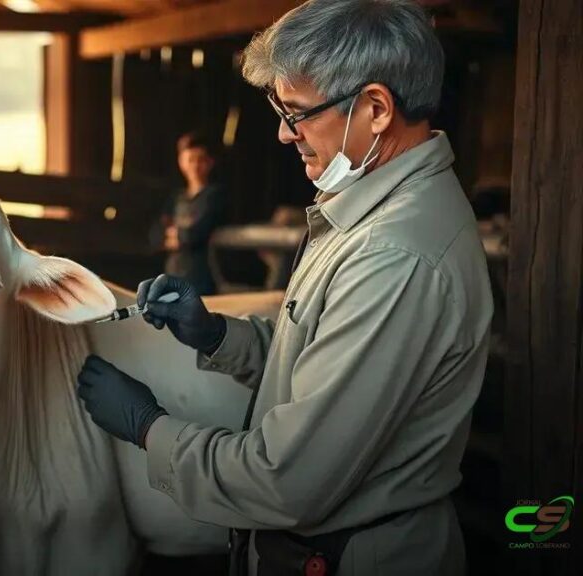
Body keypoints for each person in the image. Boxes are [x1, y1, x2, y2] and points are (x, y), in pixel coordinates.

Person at [76, 1, 493, 575]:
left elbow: (288, 480)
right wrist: (217, 335)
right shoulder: (375, 208)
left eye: (296, 113)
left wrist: (148, 428)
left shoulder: (393, 256)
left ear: (375, 109)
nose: (282, 133)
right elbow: (326, 360)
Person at [150, 131, 225, 295]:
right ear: (181, 162)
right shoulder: (176, 198)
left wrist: (178, 235)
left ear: (210, 162)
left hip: (201, 280)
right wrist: (176, 236)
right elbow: (156, 234)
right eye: (190, 160)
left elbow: (197, 232)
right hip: (172, 277)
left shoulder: (214, 196)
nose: (195, 166)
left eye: (201, 160)